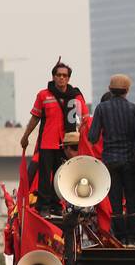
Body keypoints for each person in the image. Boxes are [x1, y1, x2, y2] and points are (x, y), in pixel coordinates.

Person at [20, 60, 88, 212]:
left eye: (64, 75)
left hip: (66, 144)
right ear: (53, 77)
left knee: (61, 176)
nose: (61, 78)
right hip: (47, 142)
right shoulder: (43, 95)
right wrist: (26, 136)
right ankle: (43, 206)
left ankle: (56, 205)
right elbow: (35, 117)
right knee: (45, 175)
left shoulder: (75, 96)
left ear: (69, 78)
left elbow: (85, 118)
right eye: (58, 75)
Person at [88, 74, 135, 245]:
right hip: (130, 161)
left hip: (110, 161)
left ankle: (119, 236)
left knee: (115, 200)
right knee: (132, 200)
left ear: (110, 90)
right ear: (127, 91)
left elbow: (92, 137)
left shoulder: (101, 109)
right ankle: (133, 236)